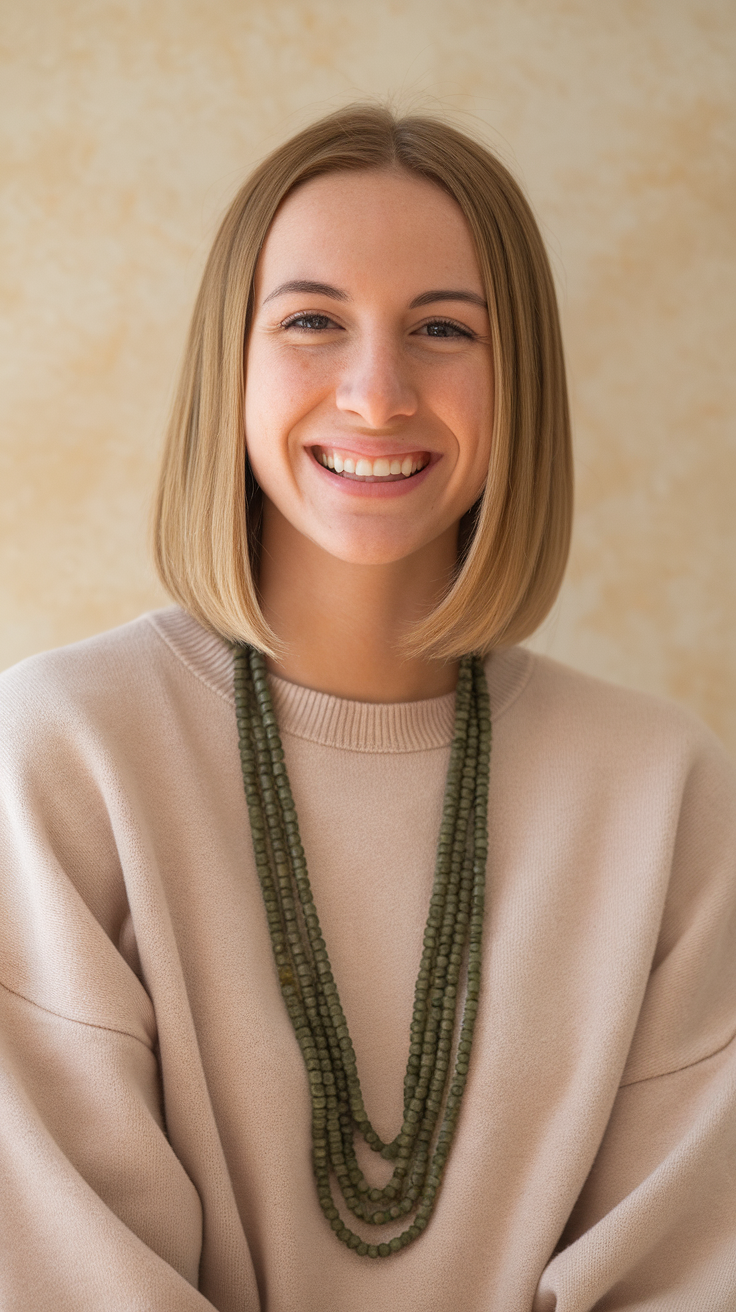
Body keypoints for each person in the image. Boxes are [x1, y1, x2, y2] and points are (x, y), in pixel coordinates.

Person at [0, 104, 734, 1312]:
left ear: (523, 386)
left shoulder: (665, 794)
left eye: (443, 328)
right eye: (311, 322)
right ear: (227, 364)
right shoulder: (65, 755)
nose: (377, 392)